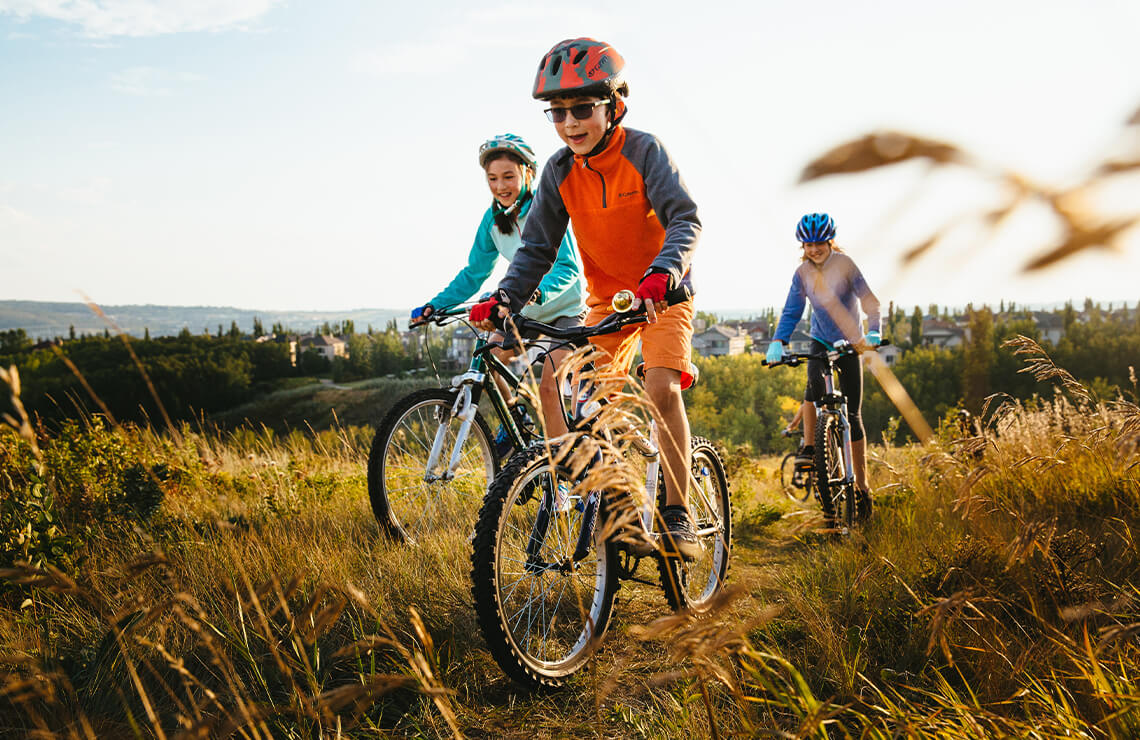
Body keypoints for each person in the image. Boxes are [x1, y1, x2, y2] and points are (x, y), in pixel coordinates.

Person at [469, 37, 702, 559]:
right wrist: (505, 297)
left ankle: (677, 511)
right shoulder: (557, 171)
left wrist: (663, 272)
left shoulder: (646, 151)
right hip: (606, 306)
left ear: (614, 104)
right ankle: (615, 506)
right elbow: (537, 249)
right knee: (569, 391)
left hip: (663, 296)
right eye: (559, 113)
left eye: (583, 109)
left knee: (661, 388)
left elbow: (685, 219)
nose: (571, 123)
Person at [410, 133, 586, 453]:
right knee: (487, 355)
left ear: (527, 174)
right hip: (522, 312)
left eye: (508, 176)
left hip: (565, 310)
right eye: (492, 178)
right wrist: (435, 305)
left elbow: (568, 269)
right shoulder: (492, 219)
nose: (500, 186)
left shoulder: (546, 210)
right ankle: (515, 418)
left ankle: (563, 474)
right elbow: (474, 273)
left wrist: (533, 294)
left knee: (549, 388)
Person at [766, 213, 881, 500]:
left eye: (819, 243)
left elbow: (869, 301)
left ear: (830, 242)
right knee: (814, 385)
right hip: (819, 339)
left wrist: (875, 331)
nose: (814, 249)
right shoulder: (802, 273)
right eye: (808, 244)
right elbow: (792, 309)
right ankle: (812, 447)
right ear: (802, 247)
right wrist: (778, 341)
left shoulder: (845, 265)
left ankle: (862, 487)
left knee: (853, 415)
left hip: (850, 343)